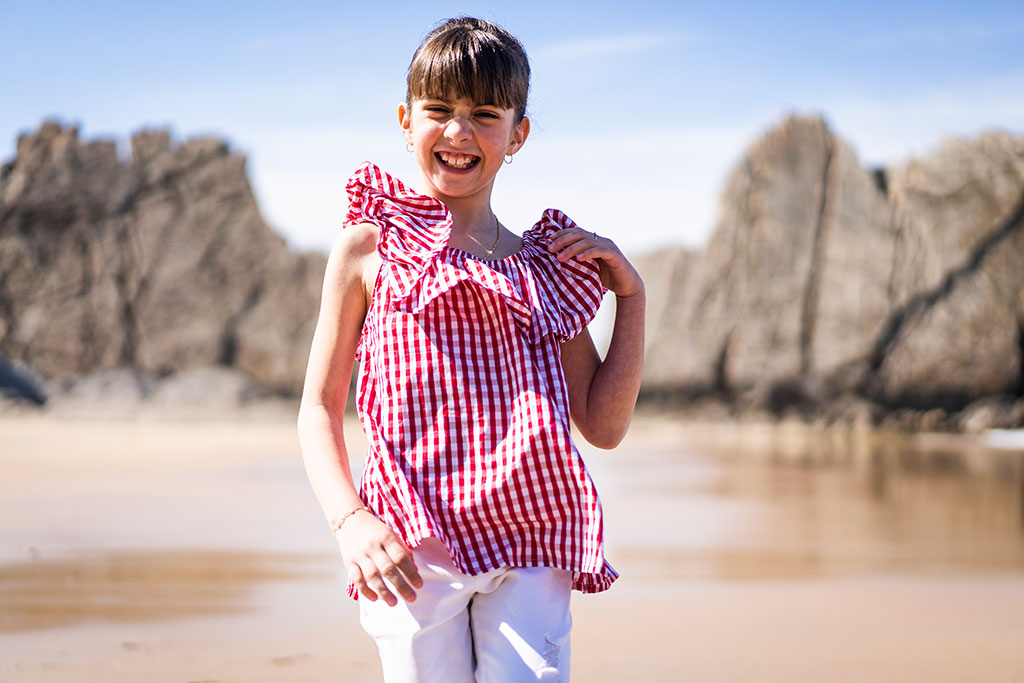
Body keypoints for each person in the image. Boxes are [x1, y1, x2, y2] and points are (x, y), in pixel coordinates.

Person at [297, 16, 645, 683]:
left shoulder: (549, 266)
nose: (457, 132)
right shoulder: (369, 249)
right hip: (409, 542)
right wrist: (349, 521)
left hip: (534, 532)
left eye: (484, 114)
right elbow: (318, 407)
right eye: (439, 111)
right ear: (406, 120)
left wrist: (632, 302)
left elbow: (602, 427)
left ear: (518, 135)